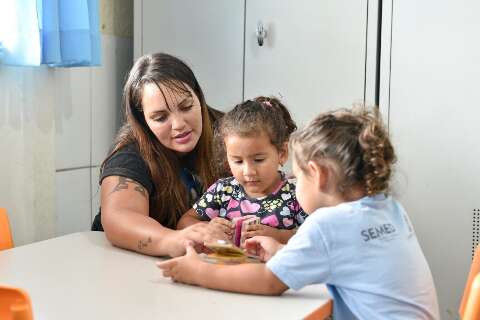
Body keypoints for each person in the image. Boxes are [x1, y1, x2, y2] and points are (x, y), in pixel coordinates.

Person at [157, 106, 440, 320]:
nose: (294, 180)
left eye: (298, 174)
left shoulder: (328, 223)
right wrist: (279, 252)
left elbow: (269, 283)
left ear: (318, 175)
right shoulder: (389, 208)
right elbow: (341, 259)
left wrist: (196, 272)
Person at [91, 52, 228, 257]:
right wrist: (175, 240)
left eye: (186, 107)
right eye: (160, 117)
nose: (179, 125)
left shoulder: (229, 132)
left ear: (198, 96)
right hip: (125, 263)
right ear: (143, 119)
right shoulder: (131, 151)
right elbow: (119, 215)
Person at [177, 97, 307, 244]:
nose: (248, 171)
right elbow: (184, 222)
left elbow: (315, 237)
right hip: (221, 266)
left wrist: (278, 236)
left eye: (258, 160)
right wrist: (207, 227)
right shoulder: (223, 190)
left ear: (281, 153)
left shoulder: (296, 194)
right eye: (238, 161)